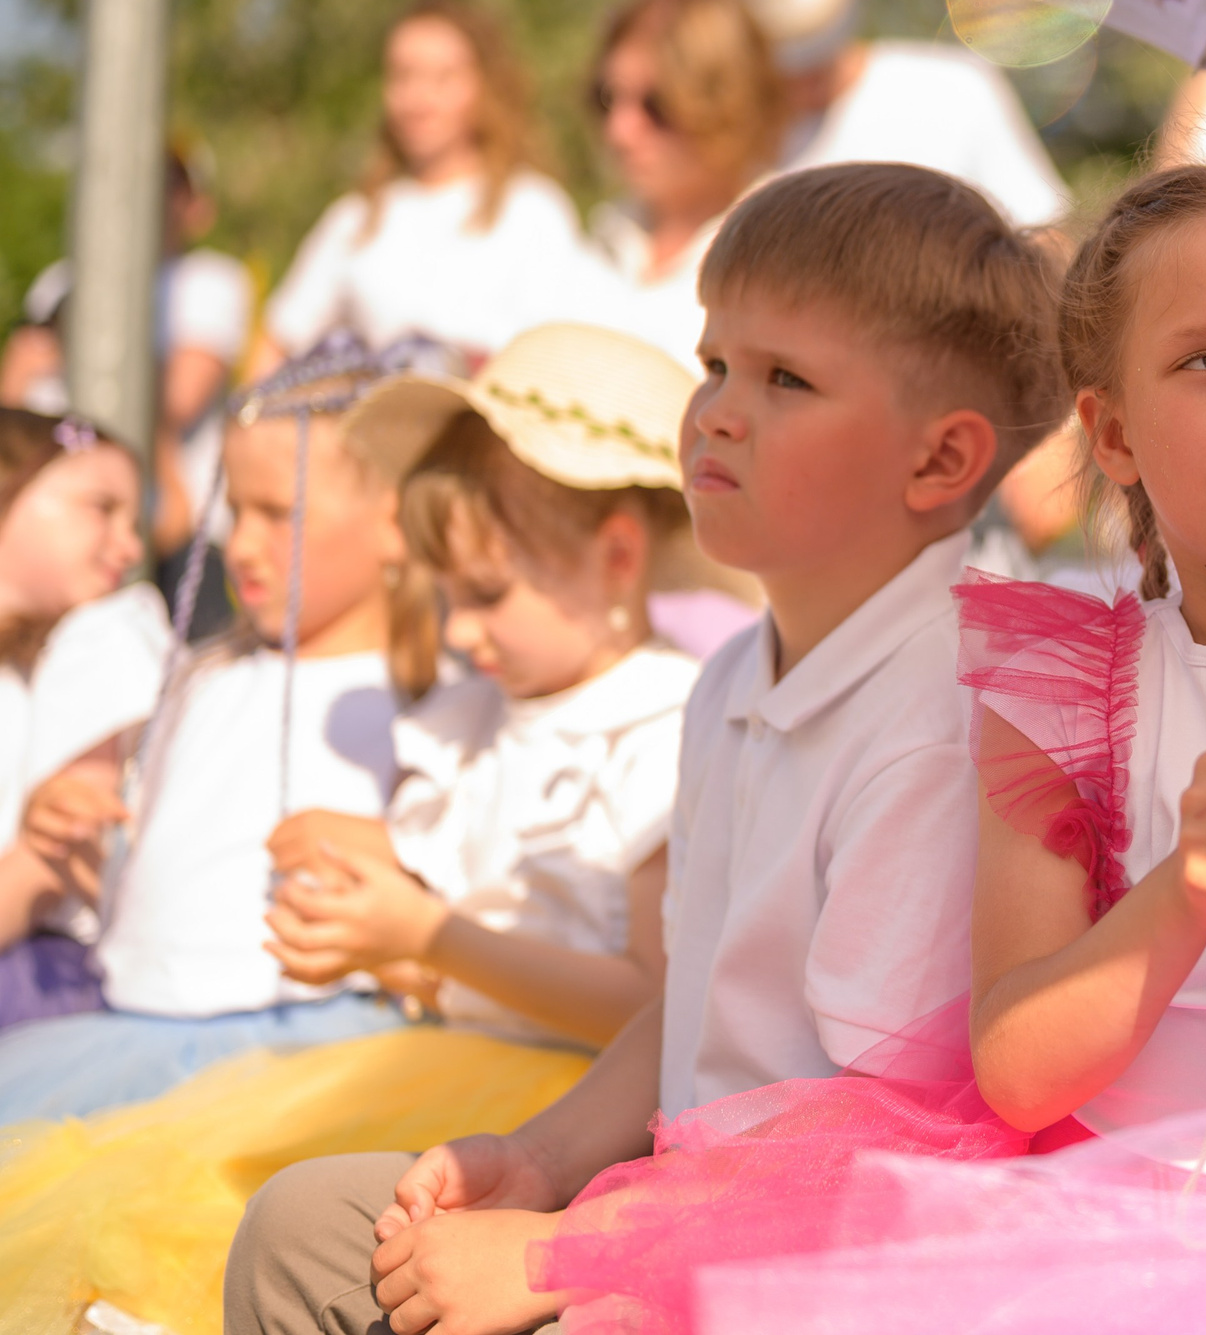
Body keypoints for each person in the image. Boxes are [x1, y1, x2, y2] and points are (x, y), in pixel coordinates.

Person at [468, 153, 1206, 1334]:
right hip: (1091, 1227)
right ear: (1114, 432)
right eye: (1204, 361)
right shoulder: (1069, 684)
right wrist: (1183, 891)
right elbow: (1020, 1067)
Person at [223, 162, 1069, 1335]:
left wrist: (566, 1248)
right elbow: (690, 998)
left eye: (786, 379)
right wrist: (537, 1158)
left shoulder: (943, 713)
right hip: (675, 1202)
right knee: (304, 1230)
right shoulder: (730, 674)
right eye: (716, 361)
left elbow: (881, 1133)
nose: (717, 408)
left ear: (938, 461)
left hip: (832, 1260)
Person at [0, 325, 701, 1335]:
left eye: (487, 595)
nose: (460, 631)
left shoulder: (651, 721)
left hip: (548, 1089)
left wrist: (422, 938)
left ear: (620, 556)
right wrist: (377, 876)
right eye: (452, 594)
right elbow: (470, 887)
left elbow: (649, 995)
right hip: (447, 1041)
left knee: (220, 1188)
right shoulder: (477, 718)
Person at [0, 346, 436, 1123]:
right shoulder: (201, 677)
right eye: (235, 510)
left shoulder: (427, 697)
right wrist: (60, 811)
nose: (240, 544)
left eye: (278, 513)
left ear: (396, 523)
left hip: (307, 1054)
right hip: (125, 1029)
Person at [260, 0, 587, 370]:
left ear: (484, 87)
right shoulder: (357, 218)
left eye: (442, 78)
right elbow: (278, 340)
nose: (418, 99)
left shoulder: (535, 209)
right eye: (403, 76)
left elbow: (559, 358)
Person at [712, 0, 1068, 227]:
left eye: (813, 60)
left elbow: (1046, 241)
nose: (802, 79)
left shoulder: (951, 91)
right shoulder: (723, 143)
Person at [2, 139, 256, 576]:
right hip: (53, 532)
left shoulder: (210, 280)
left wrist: (86, 349)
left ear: (196, 206)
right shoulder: (57, 280)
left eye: (168, 184)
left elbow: (180, 398)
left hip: (173, 536)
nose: (145, 195)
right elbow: (15, 405)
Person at [0, 411, 164, 1029]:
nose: (131, 547)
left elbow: (58, 854)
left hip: (29, 975)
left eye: (135, 521)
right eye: (102, 508)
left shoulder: (101, 640)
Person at [583, 0, 790, 371]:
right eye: (608, 98)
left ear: (729, 103)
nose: (619, 131)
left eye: (657, 105)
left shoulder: (786, 263)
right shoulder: (605, 234)